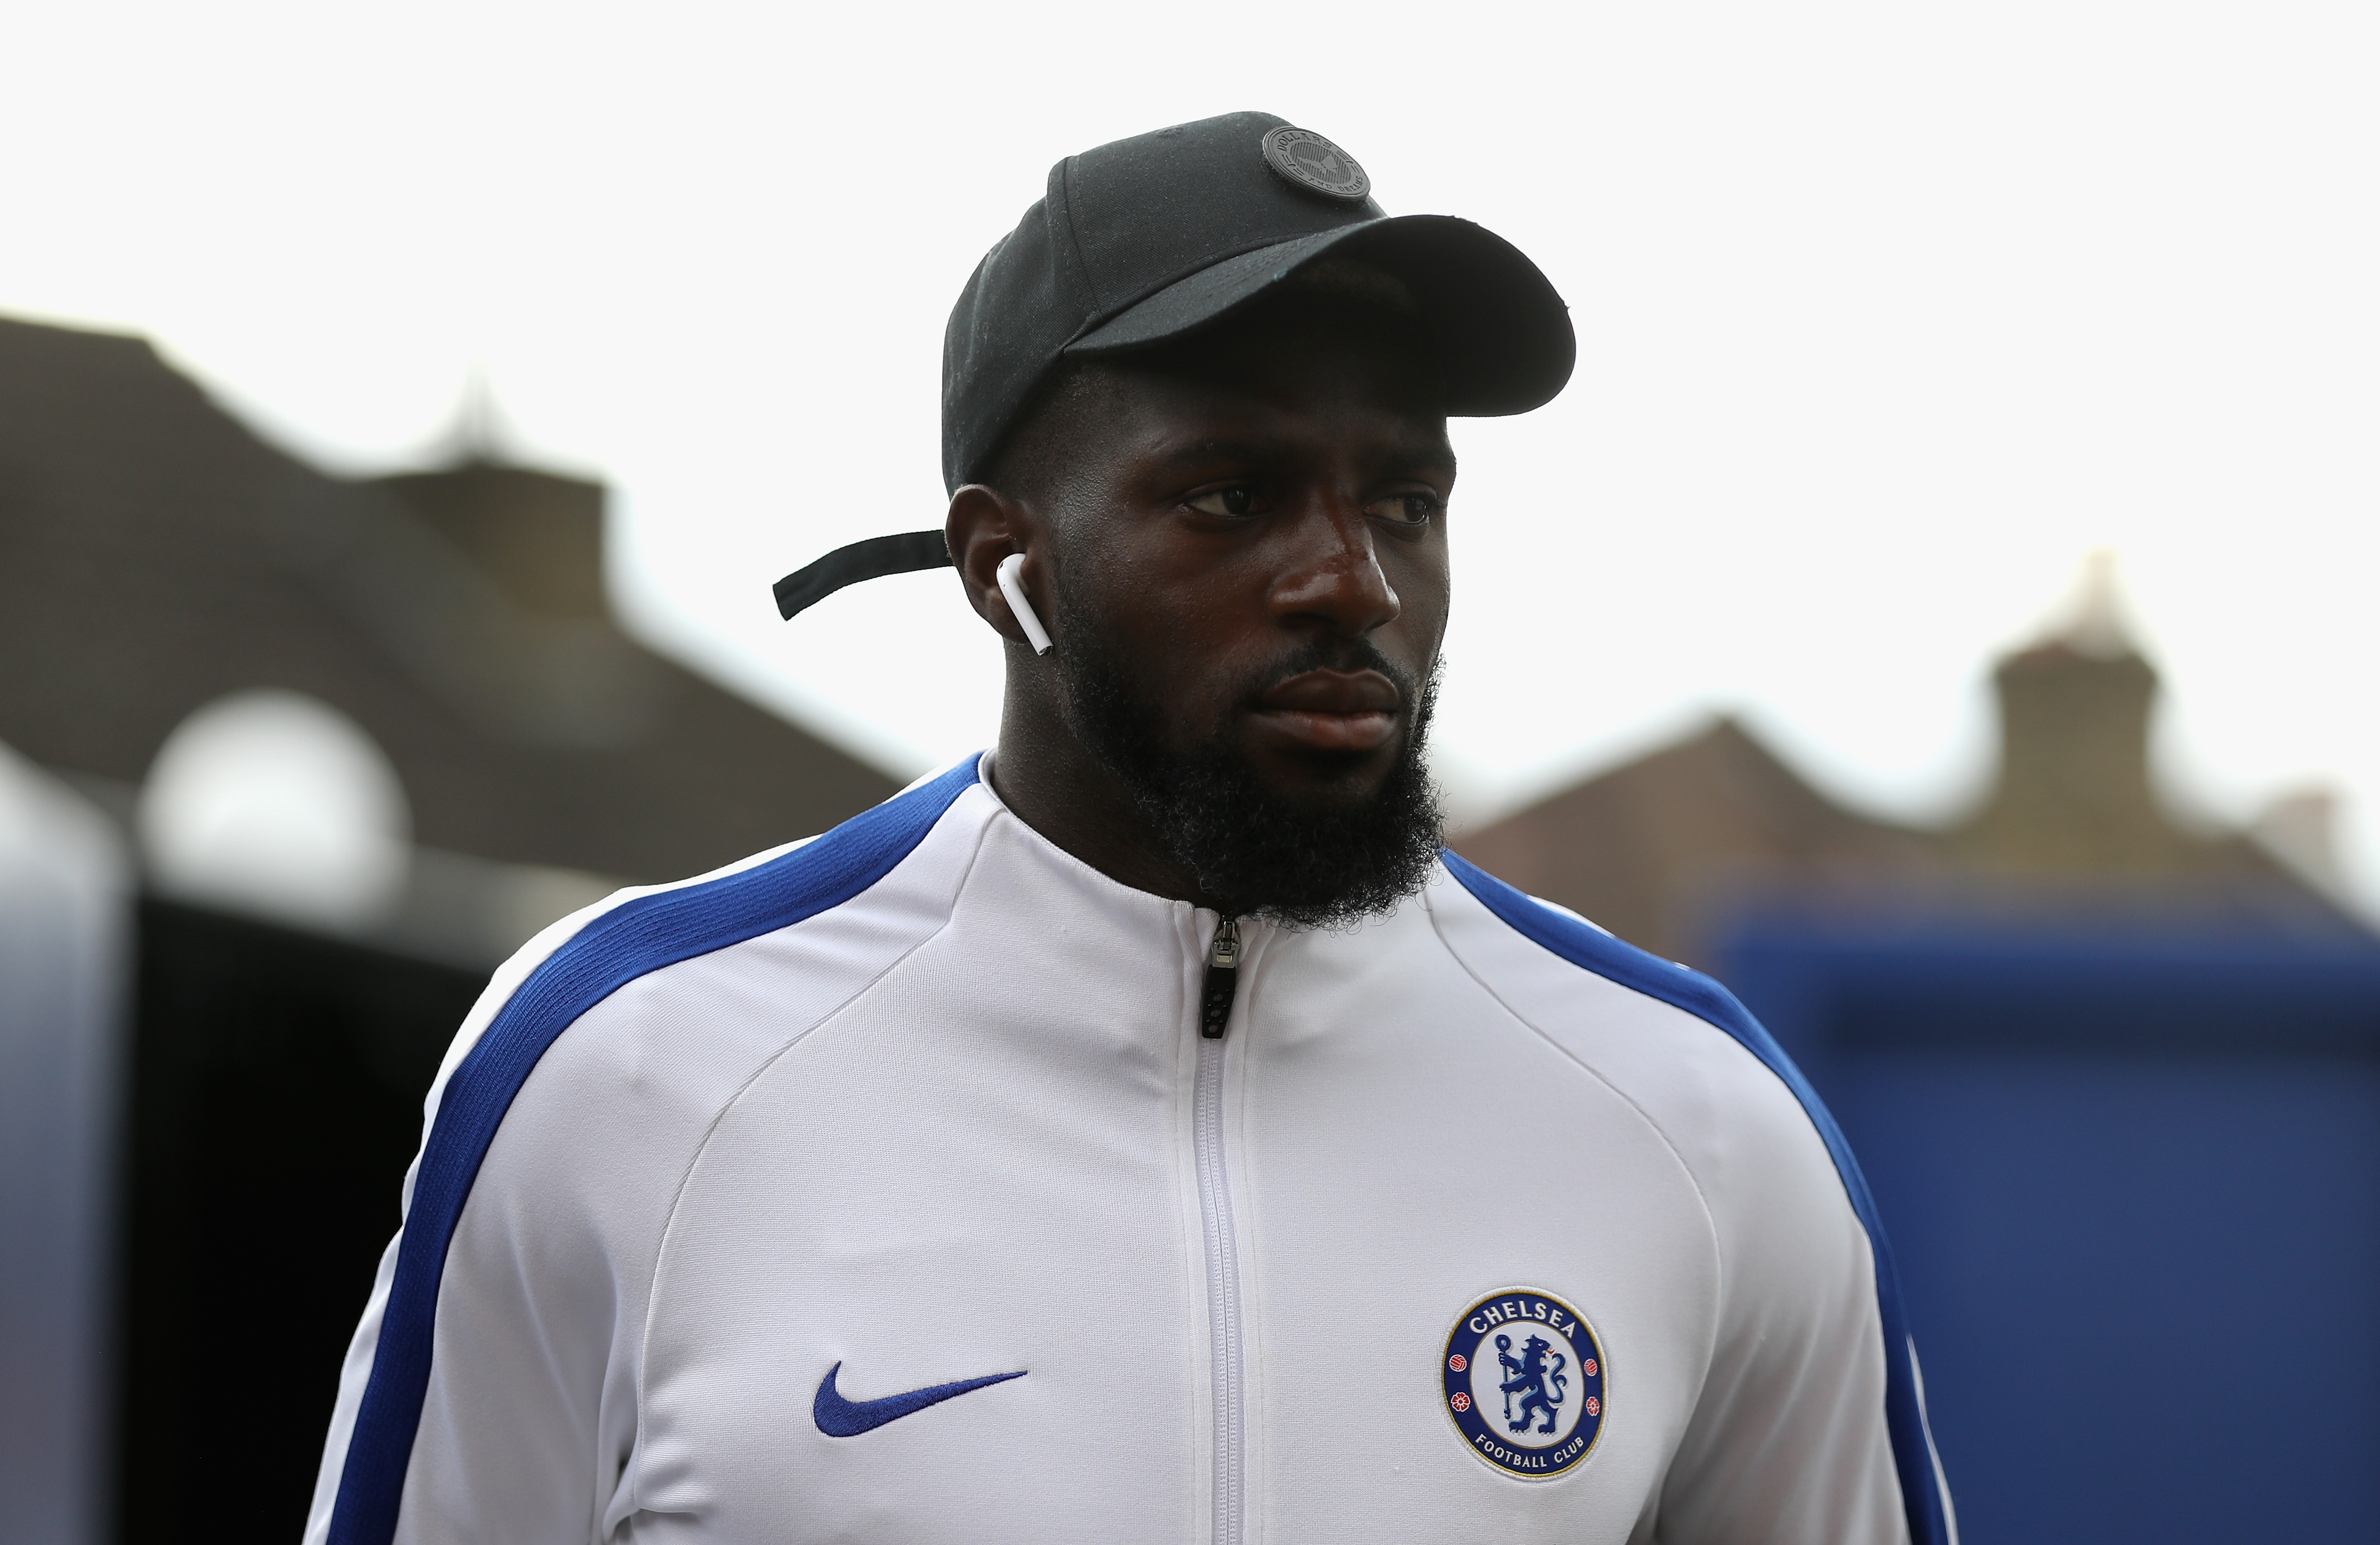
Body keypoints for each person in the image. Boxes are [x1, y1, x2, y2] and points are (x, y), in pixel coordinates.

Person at [307, 111, 1954, 1545]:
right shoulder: (629, 1064)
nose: (1352, 581)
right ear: (1001, 565)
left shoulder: (1699, 1126)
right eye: (1231, 494)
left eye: (1402, 500)